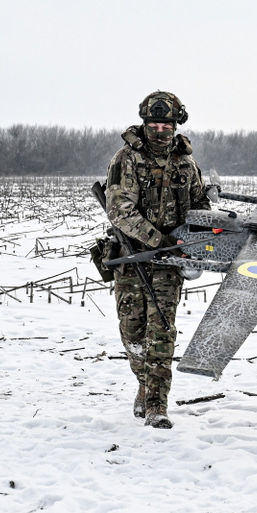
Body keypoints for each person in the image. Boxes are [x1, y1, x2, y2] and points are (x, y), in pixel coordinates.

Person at [105, 91, 210, 429]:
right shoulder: (127, 159)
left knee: (161, 334)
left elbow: (199, 206)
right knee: (133, 334)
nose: (160, 130)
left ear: (176, 124)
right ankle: (144, 383)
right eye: (154, 123)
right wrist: (158, 240)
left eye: (167, 124)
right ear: (144, 123)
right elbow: (120, 211)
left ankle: (156, 406)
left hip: (169, 264)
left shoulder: (186, 163)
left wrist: (193, 237)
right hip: (132, 258)